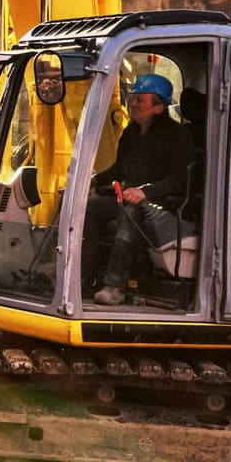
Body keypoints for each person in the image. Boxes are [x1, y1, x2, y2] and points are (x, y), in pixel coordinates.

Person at [85, 73, 198, 306]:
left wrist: (145, 192)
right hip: (131, 199)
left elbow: (180, 179)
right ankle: (85, 275)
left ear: (158, 107)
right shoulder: (131, 133)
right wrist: (94, 180)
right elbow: (120, 169)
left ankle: (115, 286)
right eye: (133, 99)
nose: (133, 104)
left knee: (131, 212)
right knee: (89, 209)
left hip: (165, 203)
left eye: (140, 100)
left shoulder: (177, 136)